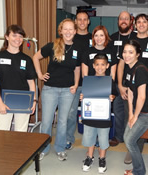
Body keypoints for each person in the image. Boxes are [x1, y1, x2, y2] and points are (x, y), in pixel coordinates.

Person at [33, 18, 81, 161]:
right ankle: (43, 148)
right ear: (61, 31)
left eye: (71, 29)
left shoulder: (77, 48)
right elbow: (35, 57)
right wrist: (40, 75)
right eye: (65, 29)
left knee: (63, 121)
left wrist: (76, 84)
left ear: (75, 31)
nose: (68, 32)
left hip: (68, 91)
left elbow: (77, 69)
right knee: (47, 121)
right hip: (50, 90)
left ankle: (60, 148)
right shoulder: (53, 46)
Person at [0, 24, 37, 132]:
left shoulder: (27, 59)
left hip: (23, 101)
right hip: (4, 101)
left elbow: (31, 83)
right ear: (7, 37)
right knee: (1, 133)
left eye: (20, 36)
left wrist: (33, 101)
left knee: (21, 133)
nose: (18, 39)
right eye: (14, 35)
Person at [123, 40, 148, 175]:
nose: (127, 55)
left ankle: (139, 171)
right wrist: (131, 114)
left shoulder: (141, 70)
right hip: (138, 111)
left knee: (130, 141)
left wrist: (135, 116)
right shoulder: (129, 68)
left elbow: (142, 97)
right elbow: (130, 92)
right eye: (125, 52)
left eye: (131, 52)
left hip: (147, 112)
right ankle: (137, 169)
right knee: (128, 138)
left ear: (138, 54)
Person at [81, 54, 117, 173]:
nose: (100, 67)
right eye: (97, 64)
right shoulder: (88, 80)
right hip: (90, 115)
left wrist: (112, 97)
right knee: (89, 136)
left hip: (103, 117)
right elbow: (84, 96)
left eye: (102, 64)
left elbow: (114, 94)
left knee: (103, 138)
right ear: (93, 66)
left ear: (107, 66)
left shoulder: (110, 81)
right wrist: (82, 97)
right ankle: (89, 157)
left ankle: (102, 158)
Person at [109, 11, 136, 149]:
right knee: (118, 111)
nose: (123, 21)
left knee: (130, 111)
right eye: (121, 19)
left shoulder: (136, 38)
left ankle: (129, 137)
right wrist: (119, 85)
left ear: (131, 21)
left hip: (133, 82)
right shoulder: (112, 38)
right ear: (118, 21)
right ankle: (119, 136)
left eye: (126, 19)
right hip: (117, 82)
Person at [65, 10, 92, 150]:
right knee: (71, 113)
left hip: (91, 83)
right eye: (79, 19)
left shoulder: (94, 37)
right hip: (73, 84)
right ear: (76, 22)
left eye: (85, 19)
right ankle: (69, 138)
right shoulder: (70, 38)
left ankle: (93, 141)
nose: (82, 22)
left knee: (93, 113)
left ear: (88, 22)